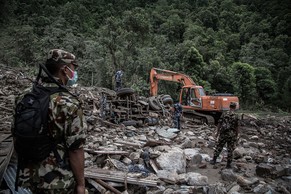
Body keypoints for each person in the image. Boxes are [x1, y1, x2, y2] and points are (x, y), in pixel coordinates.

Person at [16, 49, 87, 194]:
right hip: (58, 181)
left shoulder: (24, 97)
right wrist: (81, 184)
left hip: (29, 177)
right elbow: (75, 148)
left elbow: (16, 134)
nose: (74, 72)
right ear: (64, 69)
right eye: (73, 67)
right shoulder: (68, 103)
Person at [210, 102, 239, 168]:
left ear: (229, 106)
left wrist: (217, 133)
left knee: (219, 146)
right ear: (235, 107)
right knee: (230, 149)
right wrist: (236, 135)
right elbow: (237, 126)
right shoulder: (236, 115)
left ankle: (214, 160)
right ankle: (228, 164)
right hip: (232, 135)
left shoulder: (224, 113)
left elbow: (219, 123)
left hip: (223, 133)